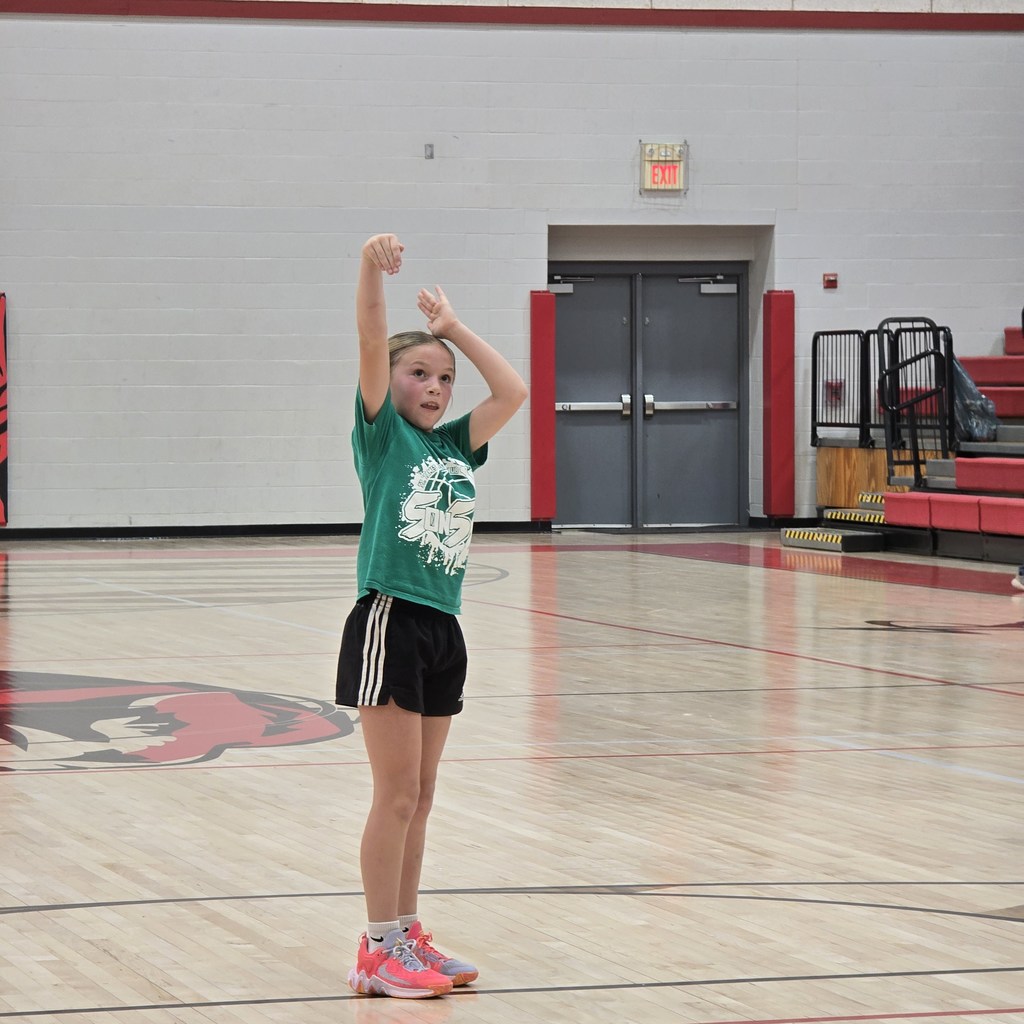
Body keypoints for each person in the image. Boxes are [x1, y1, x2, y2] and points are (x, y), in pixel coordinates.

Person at [337, 233, 527, 998]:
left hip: (443, 626)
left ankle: (406, 931)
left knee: (424, 793)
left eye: (444, 378)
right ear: (389, 381)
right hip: (390, 616)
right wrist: (366, 266)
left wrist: (454, 331)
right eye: (420, 372)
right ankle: (376, 948)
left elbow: (512, 392)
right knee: (396, 792)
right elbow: (370, 335)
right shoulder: (383, 438)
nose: (437, 386)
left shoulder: (455, 445)